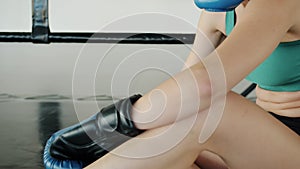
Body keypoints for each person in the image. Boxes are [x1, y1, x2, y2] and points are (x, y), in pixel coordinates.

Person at [43, 0, 300, 168]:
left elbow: (203, 85)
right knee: (172, 139)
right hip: (260, 141)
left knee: (212, 112)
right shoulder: (218, 15)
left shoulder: (278, 3)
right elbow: (184, 93)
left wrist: (107, 128)